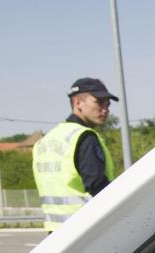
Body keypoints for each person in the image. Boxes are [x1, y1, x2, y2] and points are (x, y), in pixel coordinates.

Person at [32, 78, 118, 232]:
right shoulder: (85, 137)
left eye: (108, 104)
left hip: (54, 230)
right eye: (99, 102)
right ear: (78, 103)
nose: (105, 109)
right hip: (84, 230)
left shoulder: (44, 141)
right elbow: (98, 187)